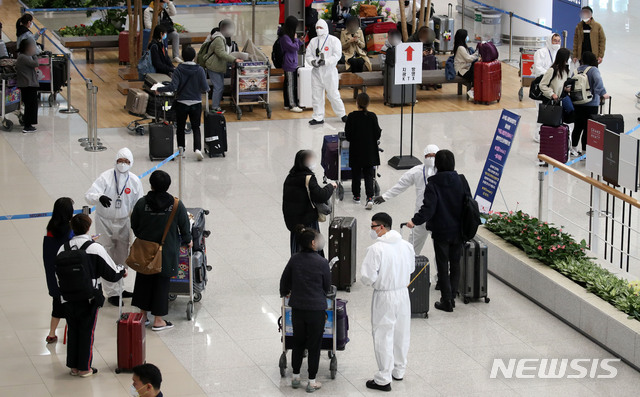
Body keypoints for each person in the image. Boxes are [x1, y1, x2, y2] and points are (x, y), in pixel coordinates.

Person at [58, 214, 127, 377]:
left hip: (67, 297)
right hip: (88, 297)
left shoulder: (63, 248)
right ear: (88, 227)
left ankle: (73, 367)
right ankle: (84, 368)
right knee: (87, 331)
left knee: (73, 330)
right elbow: (111, 272)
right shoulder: (94, 248)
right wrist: (122, 270)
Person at [406, 150, 470, 312]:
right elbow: (468, 203)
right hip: (459, 230)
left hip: (441, 230)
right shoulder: (461, 180)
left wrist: (414, 221)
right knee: (455, 263)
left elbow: (428, 209)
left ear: (438, 165)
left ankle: (446, 299)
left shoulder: (433, 183)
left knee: (442, 264)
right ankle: (453, 295)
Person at [131, 170, 192, 332]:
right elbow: (184, 226)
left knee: (143, 278)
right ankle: (158, 320)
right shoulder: (176, 205)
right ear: (168, 185)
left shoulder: (141, 203)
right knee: (161, 282)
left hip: (145, 250)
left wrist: (143, 237)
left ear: (151, 184)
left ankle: (142, 315)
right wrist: (188, 240)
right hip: (166, 251)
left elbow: (134, 225)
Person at [361, 212, 414, 392]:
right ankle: (399, 370)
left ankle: (383, 377)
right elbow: (412, 268)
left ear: (382, 227)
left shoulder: (376, 249)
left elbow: (367, 277)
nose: (372, 230)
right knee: (401, 332)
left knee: (383, 334)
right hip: (403, 294)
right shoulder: (406, 246)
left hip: (384, 296)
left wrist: (377, 282)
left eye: (373, 226)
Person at [85, 148, 144, 306]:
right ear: (115, 160)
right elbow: (89, 195)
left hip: (124, 221)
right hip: (105, 221)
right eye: (120, 161)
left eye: (126, 162)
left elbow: (139, 204)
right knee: (107, 254)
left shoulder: (134, 181)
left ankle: (120, 287)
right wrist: (99, 197)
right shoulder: (105, 177)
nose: (123, 164)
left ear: (131, 163)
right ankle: (111, 293)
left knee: (122, 254)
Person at [279, 226, 332, 393]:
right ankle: (311, 381)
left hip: (298, 308)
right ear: (312, 243)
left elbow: (284, 280)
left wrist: (285, 292)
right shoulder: (322, 262)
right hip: (316, 309)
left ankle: (295, 377)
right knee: (314, 345)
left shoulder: (294, 259)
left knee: (298, 342)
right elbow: (327, 286)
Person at [373, 144, 439, 255]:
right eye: (428, 156)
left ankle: (441, 272)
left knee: (440, 251)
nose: (431, 158)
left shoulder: (443, 173)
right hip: (420, 216)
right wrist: (385, 197)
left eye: (434, 156)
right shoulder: (417, 171)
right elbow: (401, 185)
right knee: (411, 248)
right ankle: (407, 270)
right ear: (424, 157)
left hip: (437, 217)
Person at [156, 46, 209, 161]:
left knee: (180, 127)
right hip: (196, 102)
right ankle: (198, 149)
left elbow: (173, 87)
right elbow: (205, 88)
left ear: (182, 57)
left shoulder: (178, 70)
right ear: (194, 56)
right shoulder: (200, 70)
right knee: (196, 127)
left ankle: (181, 149)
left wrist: (160, 89)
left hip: (182, 102)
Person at [283, 150, 336, 255]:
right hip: (308, 221)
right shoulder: (308, 178)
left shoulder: (290, 177)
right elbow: (321, 196)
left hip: (295, 224)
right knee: (312, 247)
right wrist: (331, 186)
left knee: (297, 250)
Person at [42, 197, 74, 344]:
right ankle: (72, 333)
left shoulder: (50, 228)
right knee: (73, 307)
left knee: (57, 305)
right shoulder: (70, 231)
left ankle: (52, 333)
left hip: (54, 274)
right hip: (68, 276)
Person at [306, 19, 347, 125]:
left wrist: (326, 62)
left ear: (326, 28)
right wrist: (312, 62)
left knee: (333, 94)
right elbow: (308, 55)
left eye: (320, 28)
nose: (318, 30)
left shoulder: (334, 40)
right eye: (317, 28)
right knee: (316, 95)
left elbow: (337, 55)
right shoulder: (313, 41)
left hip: (329, 72)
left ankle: (342, 114)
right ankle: (318, 117)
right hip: (316, 72)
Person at [345, 93, 381, 208]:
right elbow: (377, 134)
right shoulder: (372, 116)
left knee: (355, 173)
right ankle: (370, 197)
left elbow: (348, 135)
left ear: (357, 103)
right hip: (369, 151)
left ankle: (356, 196)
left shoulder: (351, 117)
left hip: (356, 151)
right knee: (369, 174)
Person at [571, 51, 609, 156]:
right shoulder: (593, 70)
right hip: (591, 104)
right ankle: (584, 151)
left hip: (577, 102)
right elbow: (598, 82)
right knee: (588, 128)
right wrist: (603, 93)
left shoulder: (576, 70)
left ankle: (573, 148)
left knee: (577, 126)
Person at [204, 19, 242, 113]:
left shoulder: (224, 38)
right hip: (213, 66)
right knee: (218, 86)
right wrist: (234, 59)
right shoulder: (219, 39)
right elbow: (221, 53)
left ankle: (216, 106)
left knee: (219, 86)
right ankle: (215, 107)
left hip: (219, 66)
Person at [280, 16, 305, 113]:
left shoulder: (287, 36)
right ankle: (292, 104)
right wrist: (296, 40)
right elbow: (293, 48)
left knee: (288, 83)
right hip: (289, 63)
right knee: (290, 84)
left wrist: (299, 40)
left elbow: (295, 45)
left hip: (291, 62)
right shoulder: (285, 37)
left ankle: (287, 103)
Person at [15, 39, 39, 133]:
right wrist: (35, 55)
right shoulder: (24, 57)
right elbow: (36, 63)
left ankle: (28, 123)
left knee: (31, 105)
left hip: (29, 84)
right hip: (27, 84)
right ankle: (27, 126)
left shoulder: (24, 56)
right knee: (30, 105)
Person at [453, 29, 479, 100]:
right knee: (475, 72)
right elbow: (468, 59)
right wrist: (477, 53)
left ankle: (473, 89)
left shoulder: (462, 46)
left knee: (476, 68)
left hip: (465, 68)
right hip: (461, 70)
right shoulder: (460, 48)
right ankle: (472, 90)